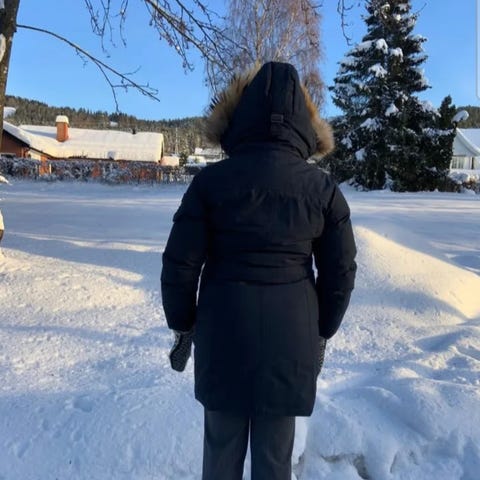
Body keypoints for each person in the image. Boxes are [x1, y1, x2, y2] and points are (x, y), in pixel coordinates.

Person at [161, 61, 357, 480]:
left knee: (220, 456)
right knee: (274, 461)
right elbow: (340, 272)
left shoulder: (210, 183)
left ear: (240, 115)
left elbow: (180, 263)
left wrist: (182, 325)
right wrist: (321, 331)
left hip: (223, 336)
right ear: (304, 122)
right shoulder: (322, 190)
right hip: (291, 342)